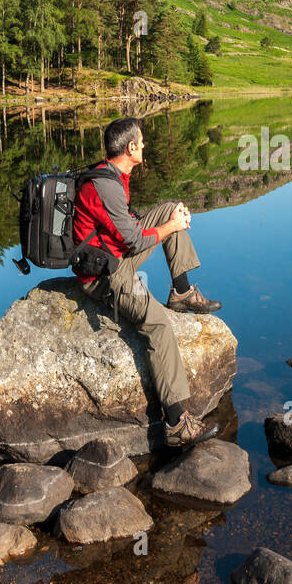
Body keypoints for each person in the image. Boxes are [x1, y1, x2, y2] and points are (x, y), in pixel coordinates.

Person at [72, 117, 223, 447]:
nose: (145, 146)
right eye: (141, 142)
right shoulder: (105, 186)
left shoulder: (112, 174)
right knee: (158, 324)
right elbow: (133, 241)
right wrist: (171, 227)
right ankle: (176, 424)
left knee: (170, 208)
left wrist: (171, 220)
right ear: (130, 148)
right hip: (107, 276)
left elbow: (127, 233)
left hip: (117, 258)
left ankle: (181, 293)